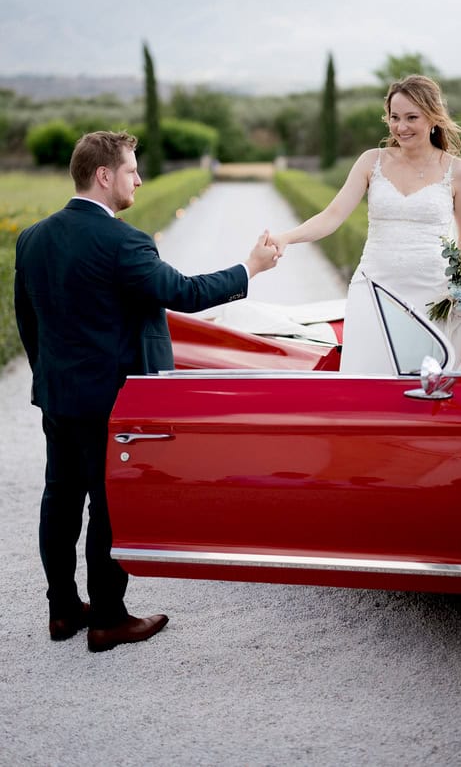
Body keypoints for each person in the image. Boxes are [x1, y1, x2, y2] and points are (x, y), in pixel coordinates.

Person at [14, 130, 278, 652]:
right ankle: (109, 619)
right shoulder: (124, 242)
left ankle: (63, 611)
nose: (139, 178)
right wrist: (251, 267)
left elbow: (28, 321)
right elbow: (186, 293)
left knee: (59, 500)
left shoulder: (33, 237)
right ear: (103, 175)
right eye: (132, 169)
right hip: (112, 403)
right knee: (107, 508)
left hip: (58, 396)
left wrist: (49, 375)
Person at [268, 75, 461, 372]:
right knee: (368, 377)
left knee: (425, 386)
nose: (401, 127)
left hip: (433, 294)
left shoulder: (459, 172)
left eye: (411, 117)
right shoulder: (372, 161)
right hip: (374, 286)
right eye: (394, 117)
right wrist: (286, 238)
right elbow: (332, 215)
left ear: (433, 117)